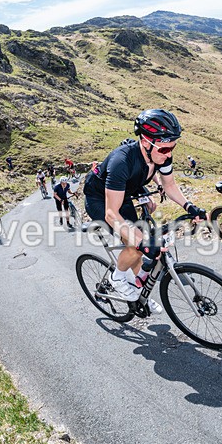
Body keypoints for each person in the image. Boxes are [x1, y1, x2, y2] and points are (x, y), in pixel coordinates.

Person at [83, 109, 206, 307]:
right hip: (99, 199)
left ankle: (139, 294)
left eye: (172, 148)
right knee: (137, 244)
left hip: (124, 194)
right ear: (146, 142)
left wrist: (189, 206)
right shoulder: (121, 161)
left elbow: (169, 185)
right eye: (164, 150)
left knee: (139, 242)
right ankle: (117, 278)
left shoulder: (161, 156)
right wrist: (141, 243)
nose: (169, 154)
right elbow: (111, 213)